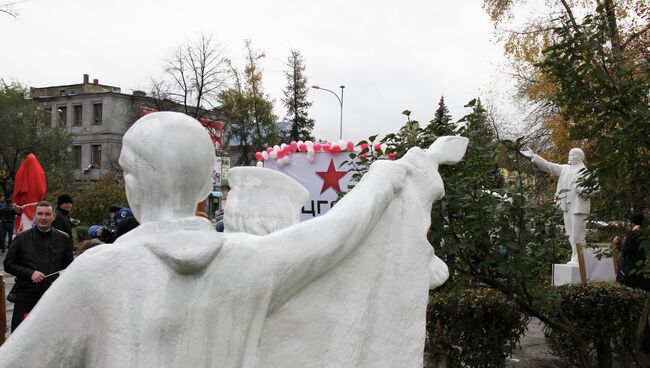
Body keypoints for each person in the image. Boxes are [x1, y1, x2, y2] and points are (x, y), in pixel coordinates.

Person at [0, 112, 467, 368]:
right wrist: (384, 180)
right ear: (209, 187)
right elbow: (337, 234)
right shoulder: (247, 262)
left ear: (132, 185)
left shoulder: (98, 274)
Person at [3, 201, 73, 331]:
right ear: (34, 216)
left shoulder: (63, 238)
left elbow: (69, 268)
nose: (43, 217)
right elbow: (8, 264)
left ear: (53, 216)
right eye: (40, 214)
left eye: (47, 214)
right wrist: (30, 273)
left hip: (52, 296)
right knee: (21, 336)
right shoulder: (21, 238)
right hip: (26, 295)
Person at [521, 147, 591, 264]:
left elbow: (595, 189)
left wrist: (582, 190)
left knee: (578, 234)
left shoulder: (586, 172)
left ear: (579, 157)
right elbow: (548, 166)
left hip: (578, 208)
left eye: (572, 155)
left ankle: (579, 259)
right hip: (567, 206)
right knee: (570, 234)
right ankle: (576, 257)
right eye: (569, 154)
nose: (569, 156)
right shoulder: (565, 169)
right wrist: (534, 157)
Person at [614, 214, 648, 289]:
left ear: (632, 223)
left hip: (632, 269)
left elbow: (626, 249)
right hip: (641, 267)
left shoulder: (634, 234)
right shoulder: (645, 233)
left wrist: (618, 244)